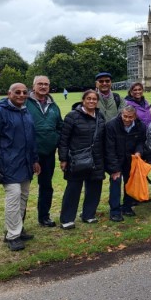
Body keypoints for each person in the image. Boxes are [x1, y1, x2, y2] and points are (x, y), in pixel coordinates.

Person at [0, 83, 41, 251]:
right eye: (17, 92)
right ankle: (12, 236)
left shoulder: (26, 112)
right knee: (13, 197)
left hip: (25, 163)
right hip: (8, 164)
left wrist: (35, 159)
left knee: (23, 197)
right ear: (9, 94)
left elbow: (31, 138)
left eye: (24, 92)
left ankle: (17, 229)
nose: (21, 95)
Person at [58, 90, 106, 229]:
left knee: (94, 188)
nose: (91, 101)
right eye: (88, 98)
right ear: (83, 100)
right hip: (77, 158)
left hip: (96, 157)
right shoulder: (72, 116)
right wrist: (63, 158)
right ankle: (67, 219)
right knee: (73, 189)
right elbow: (64, 139)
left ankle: (88, 214)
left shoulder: (100, 116)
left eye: (94, 99)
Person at [26, 75, 63, 227]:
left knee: (46, 186)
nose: (43, 87)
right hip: (27, 153)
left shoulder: (53, 106)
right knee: (22, 189)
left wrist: (55, 139)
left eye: (46, 84)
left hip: (48, 153)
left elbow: (60, 126)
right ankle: (18, 223)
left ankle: (44, 216)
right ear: (33, 86)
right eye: (40, 84)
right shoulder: (25, 103)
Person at [105, 105, 146, 221]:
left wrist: (138, 151)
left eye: (130, 117)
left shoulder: (141, 126)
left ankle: (127, 206)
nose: (127, 119)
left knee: (130, 183)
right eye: (125, 116)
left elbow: (141, 142)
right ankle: (115, 211)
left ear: (135, 116)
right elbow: (109, 148)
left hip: (131, 159)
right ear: (121, 114)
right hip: (115, 158)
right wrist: (114, 168)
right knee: (116, 182)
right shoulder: (111, 125)